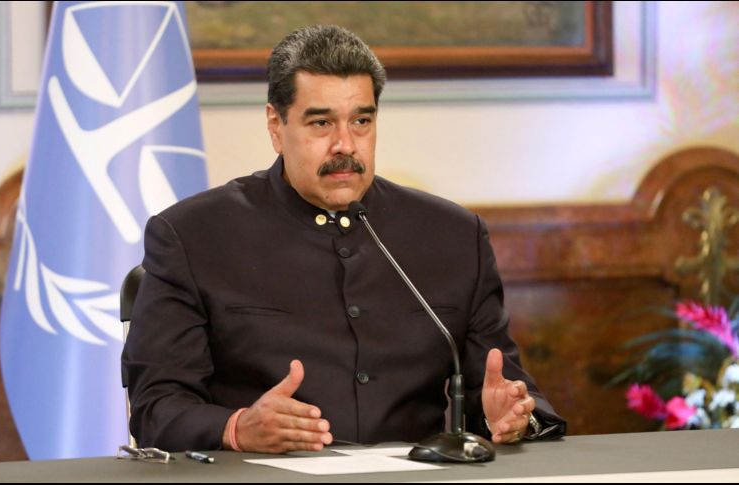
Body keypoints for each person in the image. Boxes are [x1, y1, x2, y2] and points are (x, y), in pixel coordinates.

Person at [122, 24, 566, 454]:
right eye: (321, 123)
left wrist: (511, 417)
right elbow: (156, 409)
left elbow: (504, 388)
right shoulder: (193, 236)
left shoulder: (453, 236)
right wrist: (238, 428)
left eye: (361, 121)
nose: (345, 145)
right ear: (276, 126)